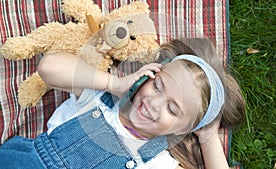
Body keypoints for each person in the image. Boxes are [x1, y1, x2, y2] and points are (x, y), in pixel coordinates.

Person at [0, 38, 245, 169]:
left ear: (182, 130)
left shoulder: (159, 162)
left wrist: (208, 135)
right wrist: (113, 84)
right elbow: (49, 67)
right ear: (150, 73)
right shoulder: (101, 101)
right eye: (157, 86)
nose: (155, 103)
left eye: (172, 109)